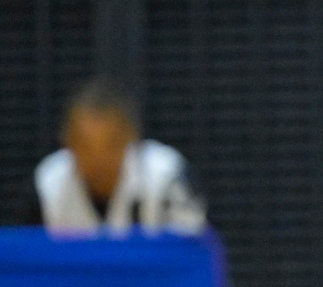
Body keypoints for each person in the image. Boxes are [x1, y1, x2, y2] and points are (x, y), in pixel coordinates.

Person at [31, 78, 207, 237]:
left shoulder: (166, 176)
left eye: (111, 145)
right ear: (67, 142)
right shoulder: (47, 184)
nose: (98, 159)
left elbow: (193, 251)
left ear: (132, 139)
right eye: (85, 147)